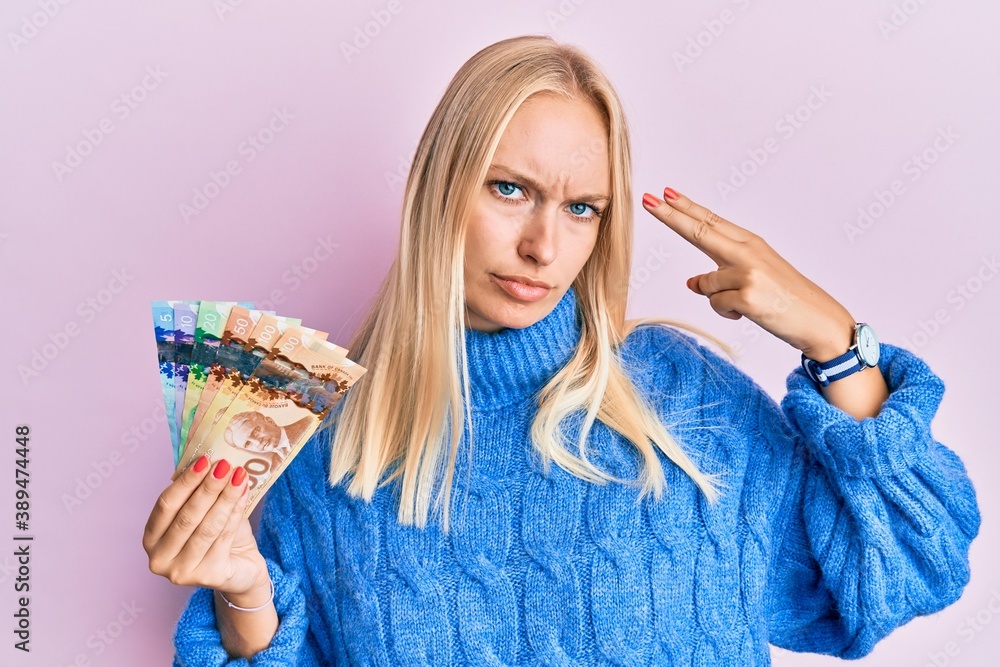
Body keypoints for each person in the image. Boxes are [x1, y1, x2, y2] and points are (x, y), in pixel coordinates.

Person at [142, 34, 981, 665]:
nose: (546, 244)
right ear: (440, 189)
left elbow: (915, 563)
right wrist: (246, 594)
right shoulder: (331, 449)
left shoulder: (685, 405)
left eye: (583, 207)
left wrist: (836, 343)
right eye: (511, 189)